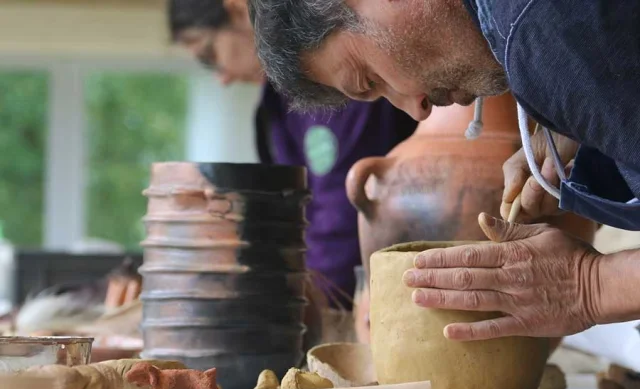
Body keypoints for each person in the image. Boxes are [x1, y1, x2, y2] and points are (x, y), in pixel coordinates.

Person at [248, 0, 640, 342]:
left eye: (370, 78)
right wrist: (590, 139)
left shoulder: (538, 28)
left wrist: (590, 286)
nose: (415, 109)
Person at [168, 0, 417, 317]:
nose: (222, 77)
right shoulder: (273, 109)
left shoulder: (336, 72)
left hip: (380, 293)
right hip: (320, 296)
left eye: (209, 55)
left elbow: (345, 206)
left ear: (236, 8)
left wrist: (303, 304)